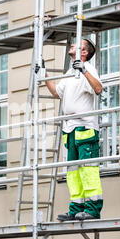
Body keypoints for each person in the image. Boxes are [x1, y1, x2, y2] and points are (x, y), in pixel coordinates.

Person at [45, 38, 103, 221]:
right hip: (70, 129)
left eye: (77, 45)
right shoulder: (71, 72)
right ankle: (76, 208)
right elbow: (57, 92)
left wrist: (84, 71)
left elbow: (98, 88)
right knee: (73, 173)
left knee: (88, 171)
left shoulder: (88, 69)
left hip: (85, 127)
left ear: (84, 53)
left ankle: (92, 209)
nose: (72, 45)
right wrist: (44, 74)